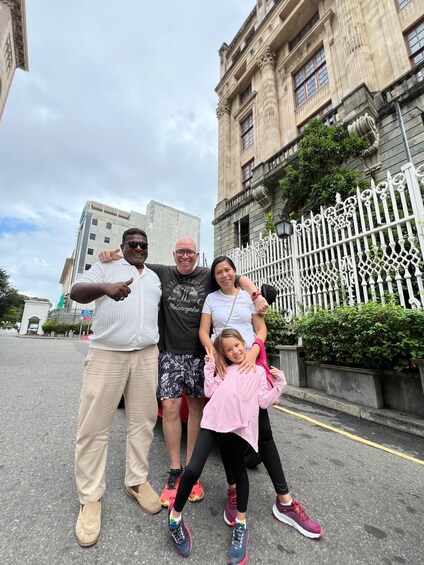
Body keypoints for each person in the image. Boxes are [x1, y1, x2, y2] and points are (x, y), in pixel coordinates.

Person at [99, 238, 268, 509]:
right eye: (181, 252)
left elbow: (233, 277)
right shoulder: (163, 272)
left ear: (196, 255)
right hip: (170, 353)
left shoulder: (207, 275)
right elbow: (135, 261)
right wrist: (111, 257)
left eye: (190, 252)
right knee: (169, 407)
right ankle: (175, 471)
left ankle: (192, 470)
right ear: (174, 254)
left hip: (199, 356)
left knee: (197, 408)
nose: (185, 256)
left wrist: (255, 294)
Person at [198, 255, 322, 539]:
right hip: (225, 369)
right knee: (226, 434)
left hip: (249, 366)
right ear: (214, 277)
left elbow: (261, 328)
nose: (224, 275)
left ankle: (285, 501)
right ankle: (233, 490)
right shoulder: (211, 300)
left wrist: (253, 351)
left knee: (264, 432)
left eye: (228, 270)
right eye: (218, 272)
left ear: (235, 272)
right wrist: (215, 355)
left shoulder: (246, 297)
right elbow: (204, 332)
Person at [70, 228, 162, 547]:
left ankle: (136, 481)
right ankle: (90, 498)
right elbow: (76, 291)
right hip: (107, 353)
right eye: (132, 244)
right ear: (122, 247)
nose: (138, 248)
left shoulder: (154, 277)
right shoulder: (106, 267)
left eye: (143, 245)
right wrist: (104, 288)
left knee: (143, 422)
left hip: (146, 355)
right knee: (93, 427)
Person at [168, 328, 287, 564]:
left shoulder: (258, 372)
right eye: (229, 350)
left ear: (244, 343)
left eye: (237, 345)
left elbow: (264, 401)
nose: (235, 351)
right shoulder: (224, 370)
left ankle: (241, 524)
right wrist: (210, 365)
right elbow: (209, 390)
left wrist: (280, 383)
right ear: (225, 354)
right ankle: (174, 518)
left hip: (235, 429)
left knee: (240, 475)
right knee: (192, 470)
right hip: (212, 424)